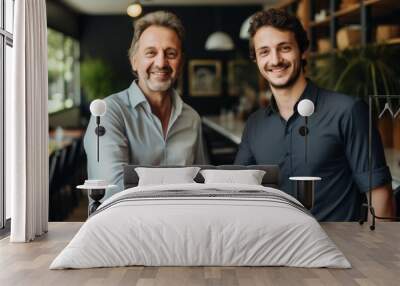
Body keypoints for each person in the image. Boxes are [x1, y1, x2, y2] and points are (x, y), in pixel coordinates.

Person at [234, 9, 395, 221]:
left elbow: (380, 197)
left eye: (285, 48)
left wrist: (375, 252)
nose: (275, 60)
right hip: (276, 250)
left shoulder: (348, 111)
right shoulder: (254, 125)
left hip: (336, 251)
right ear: (256, 60)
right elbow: (236, 193)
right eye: (264, 51)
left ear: (303, 51)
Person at [84, 11, 207, 198]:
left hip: (183, 226)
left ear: (180, 63)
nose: (161, 62)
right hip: (124, 226)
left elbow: (201, 183)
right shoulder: (108, 113)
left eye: (171, 53)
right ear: (134, 61)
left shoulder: (191, 118)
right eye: (151, 52)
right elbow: (113, 190)